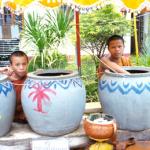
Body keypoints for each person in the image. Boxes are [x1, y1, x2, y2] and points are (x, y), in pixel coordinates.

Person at [0, 50, 28, 123]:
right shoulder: (6, 81)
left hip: (27, 120)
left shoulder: (29, 80)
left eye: (24, 64)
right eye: (17, 64)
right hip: (9, 121)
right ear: (11, 66)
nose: (21, 67)